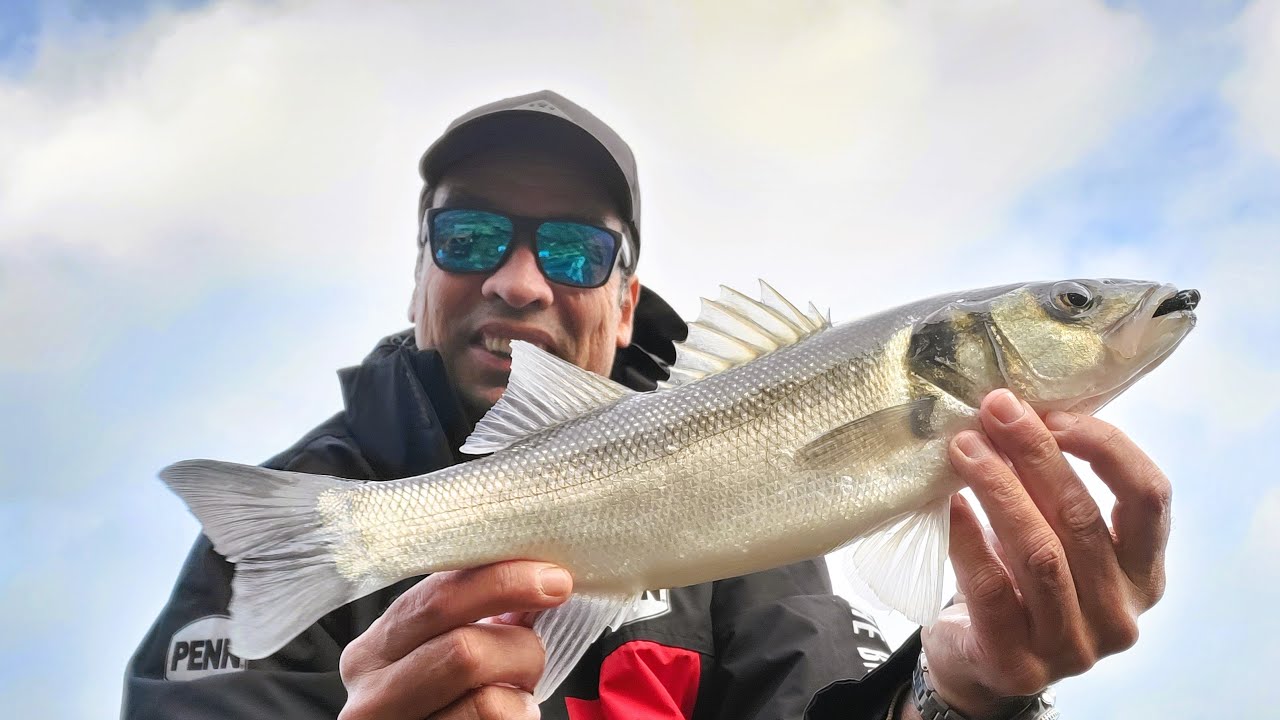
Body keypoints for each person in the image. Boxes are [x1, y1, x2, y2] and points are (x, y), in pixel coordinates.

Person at [123, 90, 1172, 720]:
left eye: (576, 251)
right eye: (471, 239)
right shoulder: (287, 529)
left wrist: (960, 697)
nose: (522, 284)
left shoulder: (752, 536)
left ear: (626, 305)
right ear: (415, 277)